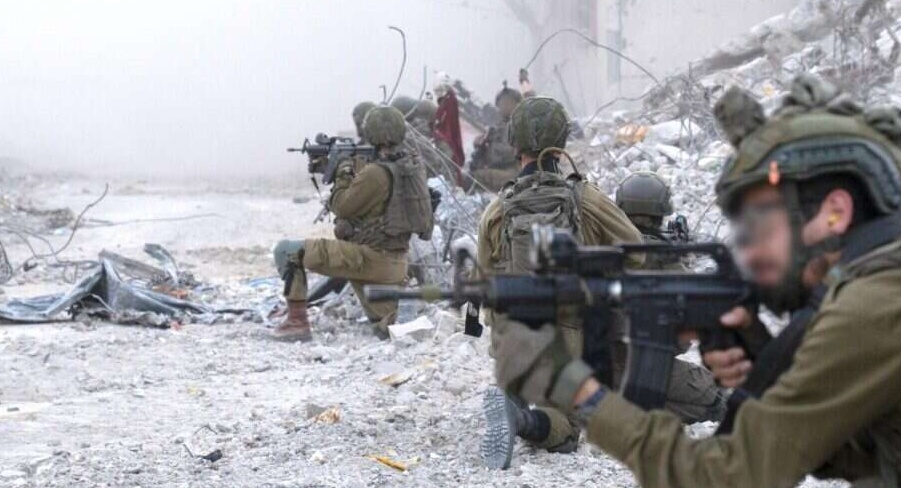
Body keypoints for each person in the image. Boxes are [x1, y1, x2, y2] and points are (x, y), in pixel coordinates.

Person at [492, 75, 901, 487]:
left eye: (766, 222)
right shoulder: (878, 288)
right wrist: (761, 363)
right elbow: (845, 450)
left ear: (836, 212)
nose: (753, 255)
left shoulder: (869, 309)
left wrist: (585, 396)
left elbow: (724, 476)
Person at [477, 96, 724, 471]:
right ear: (562, 142)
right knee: (566, 430)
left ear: (514, 144)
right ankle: (525, 421)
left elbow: (486, 280)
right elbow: (635, 251)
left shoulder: (498, 209)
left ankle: (517, 392)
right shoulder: (584, 198)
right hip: (569, 338)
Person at [271, 106, 434, 342]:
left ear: (372, 133)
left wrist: (343, 170)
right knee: (387, 328)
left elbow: (342, 206)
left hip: (369, 260)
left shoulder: (376, 174)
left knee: (287, 251)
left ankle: (296, 322)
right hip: (395, 262)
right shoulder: (408, 166)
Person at [465, 82, 522, 193]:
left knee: (475, 178)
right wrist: (480, 144)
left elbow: (511, 154)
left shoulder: (519, 125)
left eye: (507, 103)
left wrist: (491, 145)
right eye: (501, 104)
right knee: (471, 176)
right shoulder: (499, 126)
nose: (503, 107)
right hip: (503, 169)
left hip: (516, 172)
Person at [433, 82, 465, 185]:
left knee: (448, 160)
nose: (437, 93)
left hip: (445, 140)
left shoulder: (449, 103)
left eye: (439, 90)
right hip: (444, 139)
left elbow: (448, 124)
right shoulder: (446, 103)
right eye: (436, 91)